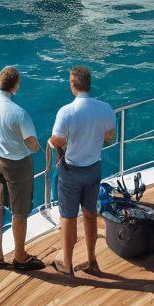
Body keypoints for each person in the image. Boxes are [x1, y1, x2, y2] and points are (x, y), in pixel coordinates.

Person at [0, 66, 45, 271]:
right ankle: (20, 257)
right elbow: (32, 144)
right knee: (19, 212)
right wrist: (37, 149)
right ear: (16, 84)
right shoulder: (19, 113)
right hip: (17, 165)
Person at [49, 66, 116, 278]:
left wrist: (54, 142)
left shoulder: (66, 112)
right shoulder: (105, 108)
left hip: (71, 171)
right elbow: (109, 137)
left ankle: (67, 265)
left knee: (68, 218)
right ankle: (92, 260)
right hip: (94, 168)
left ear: (73, 84)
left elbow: (57, 140)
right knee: (89, 214)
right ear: (89, 84)